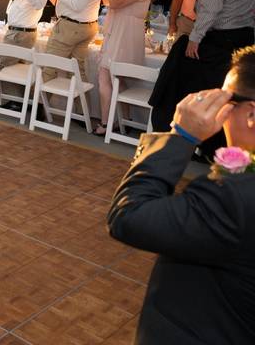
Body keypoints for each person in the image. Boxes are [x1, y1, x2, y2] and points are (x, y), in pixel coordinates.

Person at [107, 46, 255, 344]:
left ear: (251, 114)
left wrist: (181, 136)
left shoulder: (233, 199)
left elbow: (129, 216)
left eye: (225, 99)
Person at [149, 0, 255, 159]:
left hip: (219, 42)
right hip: (241, 41)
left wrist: (194, 39)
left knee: (183, 77)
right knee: (225, 93)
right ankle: (212, 145)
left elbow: (210, 9)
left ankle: (177, 134)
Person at [92, 0, 155, 136]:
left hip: (124, 35)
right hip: (117, 32)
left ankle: (107, 123)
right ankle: (122, 121)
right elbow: (107, 0)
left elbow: (116, 3)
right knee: (115, 78)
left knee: (106, 75)